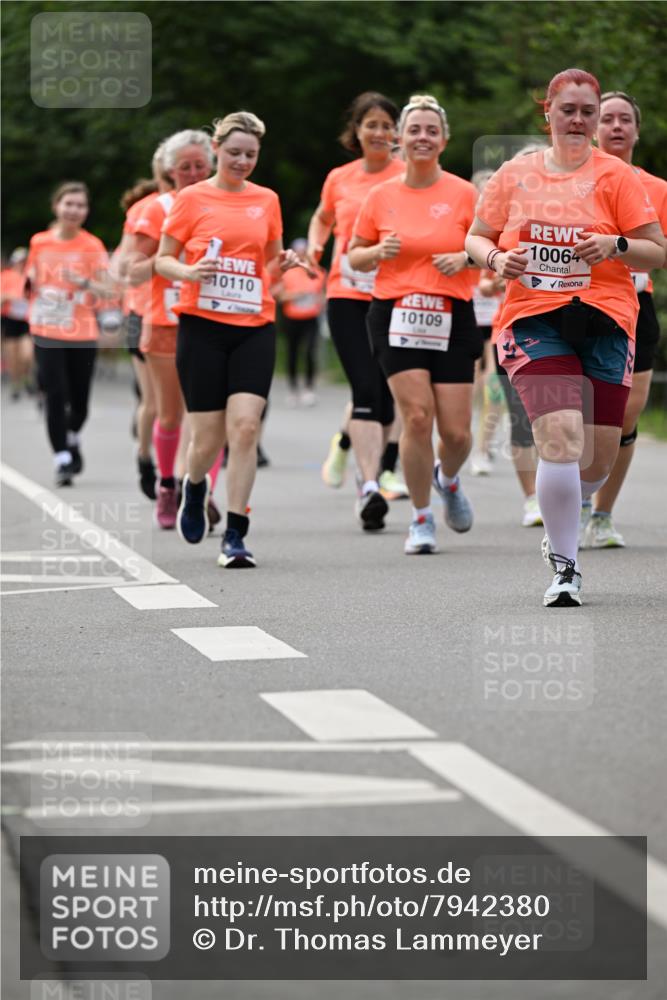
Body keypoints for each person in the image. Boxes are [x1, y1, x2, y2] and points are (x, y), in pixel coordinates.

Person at [466, 68, 664, 606]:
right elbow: (476, 236)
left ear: (597, 120)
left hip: (606, 319)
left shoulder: (617, 178)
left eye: (588, 112)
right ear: (547, 113)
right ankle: (566, 567)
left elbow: (656, 250)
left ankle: (567, 509)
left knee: (596, 461)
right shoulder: (516, 173)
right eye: (568, 109)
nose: (578, 119)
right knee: (558, 438)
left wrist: (616, 246)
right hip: (534, 319)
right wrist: (497, 257)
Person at [155, 111, 303, 568]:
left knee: (245, 427)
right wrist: (189, 271)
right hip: (202, 326)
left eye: (251, 155)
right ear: (216, 148)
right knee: (206, 438)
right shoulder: (191, 198)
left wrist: (287, 262)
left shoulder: (267, 200)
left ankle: (236, 534)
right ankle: (194, 486)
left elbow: (269, 262)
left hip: (254, 325)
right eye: (234, 152)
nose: (242, 161)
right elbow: (163, 260)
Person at [349, 94, 480, 554]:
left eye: (431, 130)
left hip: (452, 314)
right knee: (417, 418)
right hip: (395, 312)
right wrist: (377, 253)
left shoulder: (465, 193)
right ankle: (421, 518)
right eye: (414, 130)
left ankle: (448, 477)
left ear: (443, 139)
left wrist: (464, 256)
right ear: (399, 139)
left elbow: (491, 249)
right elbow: (354, 254)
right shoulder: (380, 195)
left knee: (459, 433)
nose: (422, 137)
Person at [306, 92, 405, 529]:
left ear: (397, 133)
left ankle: (371, 465)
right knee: (365, 388)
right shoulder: (339, 178)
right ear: (357, 131)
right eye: (372, 124)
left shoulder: (409, 176)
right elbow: (322, 217)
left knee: (388, 396)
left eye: (387, 125)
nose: (380, 132)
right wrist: (315, 245)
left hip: (397, 294)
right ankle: (369, 487)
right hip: (347, 292)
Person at [584, 91, 667, 547]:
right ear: (595, 128)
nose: (616, 126)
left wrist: (622, 246)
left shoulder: (657, 189)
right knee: (579, 415)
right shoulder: (574, 181)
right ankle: (573, 499)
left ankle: (602, 514)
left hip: (636, 306)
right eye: (607, 118)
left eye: (624, 120)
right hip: (580, 304)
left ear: (637, 130)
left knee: (625, 417)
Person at [128, 129, 215, 528]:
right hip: (166, 320)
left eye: (200, 166)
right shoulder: (155, 208)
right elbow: (130, 270)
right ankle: (166, 486)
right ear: (170, 171)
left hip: (217, 318)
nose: (194, 174)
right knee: (170, 414)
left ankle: (202, 492)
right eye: (186, 168)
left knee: (215, 416)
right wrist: (171, 261)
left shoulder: (229, 202)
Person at [25, 182, 112, 486]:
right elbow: (31, 278)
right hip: (46, 327)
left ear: (86, 211)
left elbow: (109, 289)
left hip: (81, 330)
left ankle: (72, 435)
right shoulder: (40, 242)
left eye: (80, 205)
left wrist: (83, 282)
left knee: (80, 401)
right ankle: (61, 457)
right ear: (56, 206)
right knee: (55, 394)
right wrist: (33, 283)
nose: (74, 210)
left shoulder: (92, 246)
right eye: (69, 204)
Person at [274, 238, 326, 406]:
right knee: (292, 353)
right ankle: (293, 389)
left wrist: (320, 300)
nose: (302, 254)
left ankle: (309, 388)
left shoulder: (317, 271)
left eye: (304, 250)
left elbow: (324, 293)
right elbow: (279, 296)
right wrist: (297, 295)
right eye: (299, 251)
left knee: (311, 351)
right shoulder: (287, 272)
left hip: (311, 317)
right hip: (292, 318)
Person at [1, 248, 33, 400]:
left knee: (26, 354)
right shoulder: (6, 276)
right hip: (10, 319)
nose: (23, 264)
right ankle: (16, 383)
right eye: (21, 261)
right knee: (13, 355)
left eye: (25, 261)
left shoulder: (30, 277)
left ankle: (26, 377)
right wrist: (11, 296)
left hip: (27, 320)